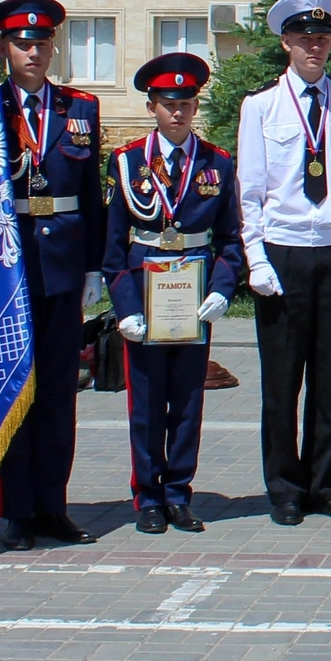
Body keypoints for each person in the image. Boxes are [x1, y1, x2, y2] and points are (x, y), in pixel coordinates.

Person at [237, 0, 331, 525]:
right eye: (304, 39)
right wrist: (255, 257)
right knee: (281, 383)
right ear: (285, 44)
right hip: (284, 254)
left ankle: (325, 484)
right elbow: (249, 188)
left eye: (322, 38)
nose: (314, 47)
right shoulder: (262, 106)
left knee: (328, 380)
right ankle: (285, 489)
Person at [103, 52, 242, 533]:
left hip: (192, 296)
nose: (178, 112)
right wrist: (123, 307)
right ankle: (148, 497)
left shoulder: (216, 163)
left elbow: (230, 240)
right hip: (144, 298)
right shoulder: (126, 163)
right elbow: (113, 248)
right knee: (145, 403)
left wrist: (223, 288)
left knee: (186, 401)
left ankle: (179, 492)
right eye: (168, 103)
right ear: (151, 107)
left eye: (186, 103)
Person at [0, 0, 105, 550]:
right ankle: (16, 510)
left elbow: (89, 195)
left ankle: (53, 506)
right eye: (22, 43)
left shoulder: (78, 108)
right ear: (5, 48)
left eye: (41, 43)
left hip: (61, 268)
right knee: (15, 390)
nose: (33, 52)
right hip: (7, 268)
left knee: (59, 392)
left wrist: (93, 267)